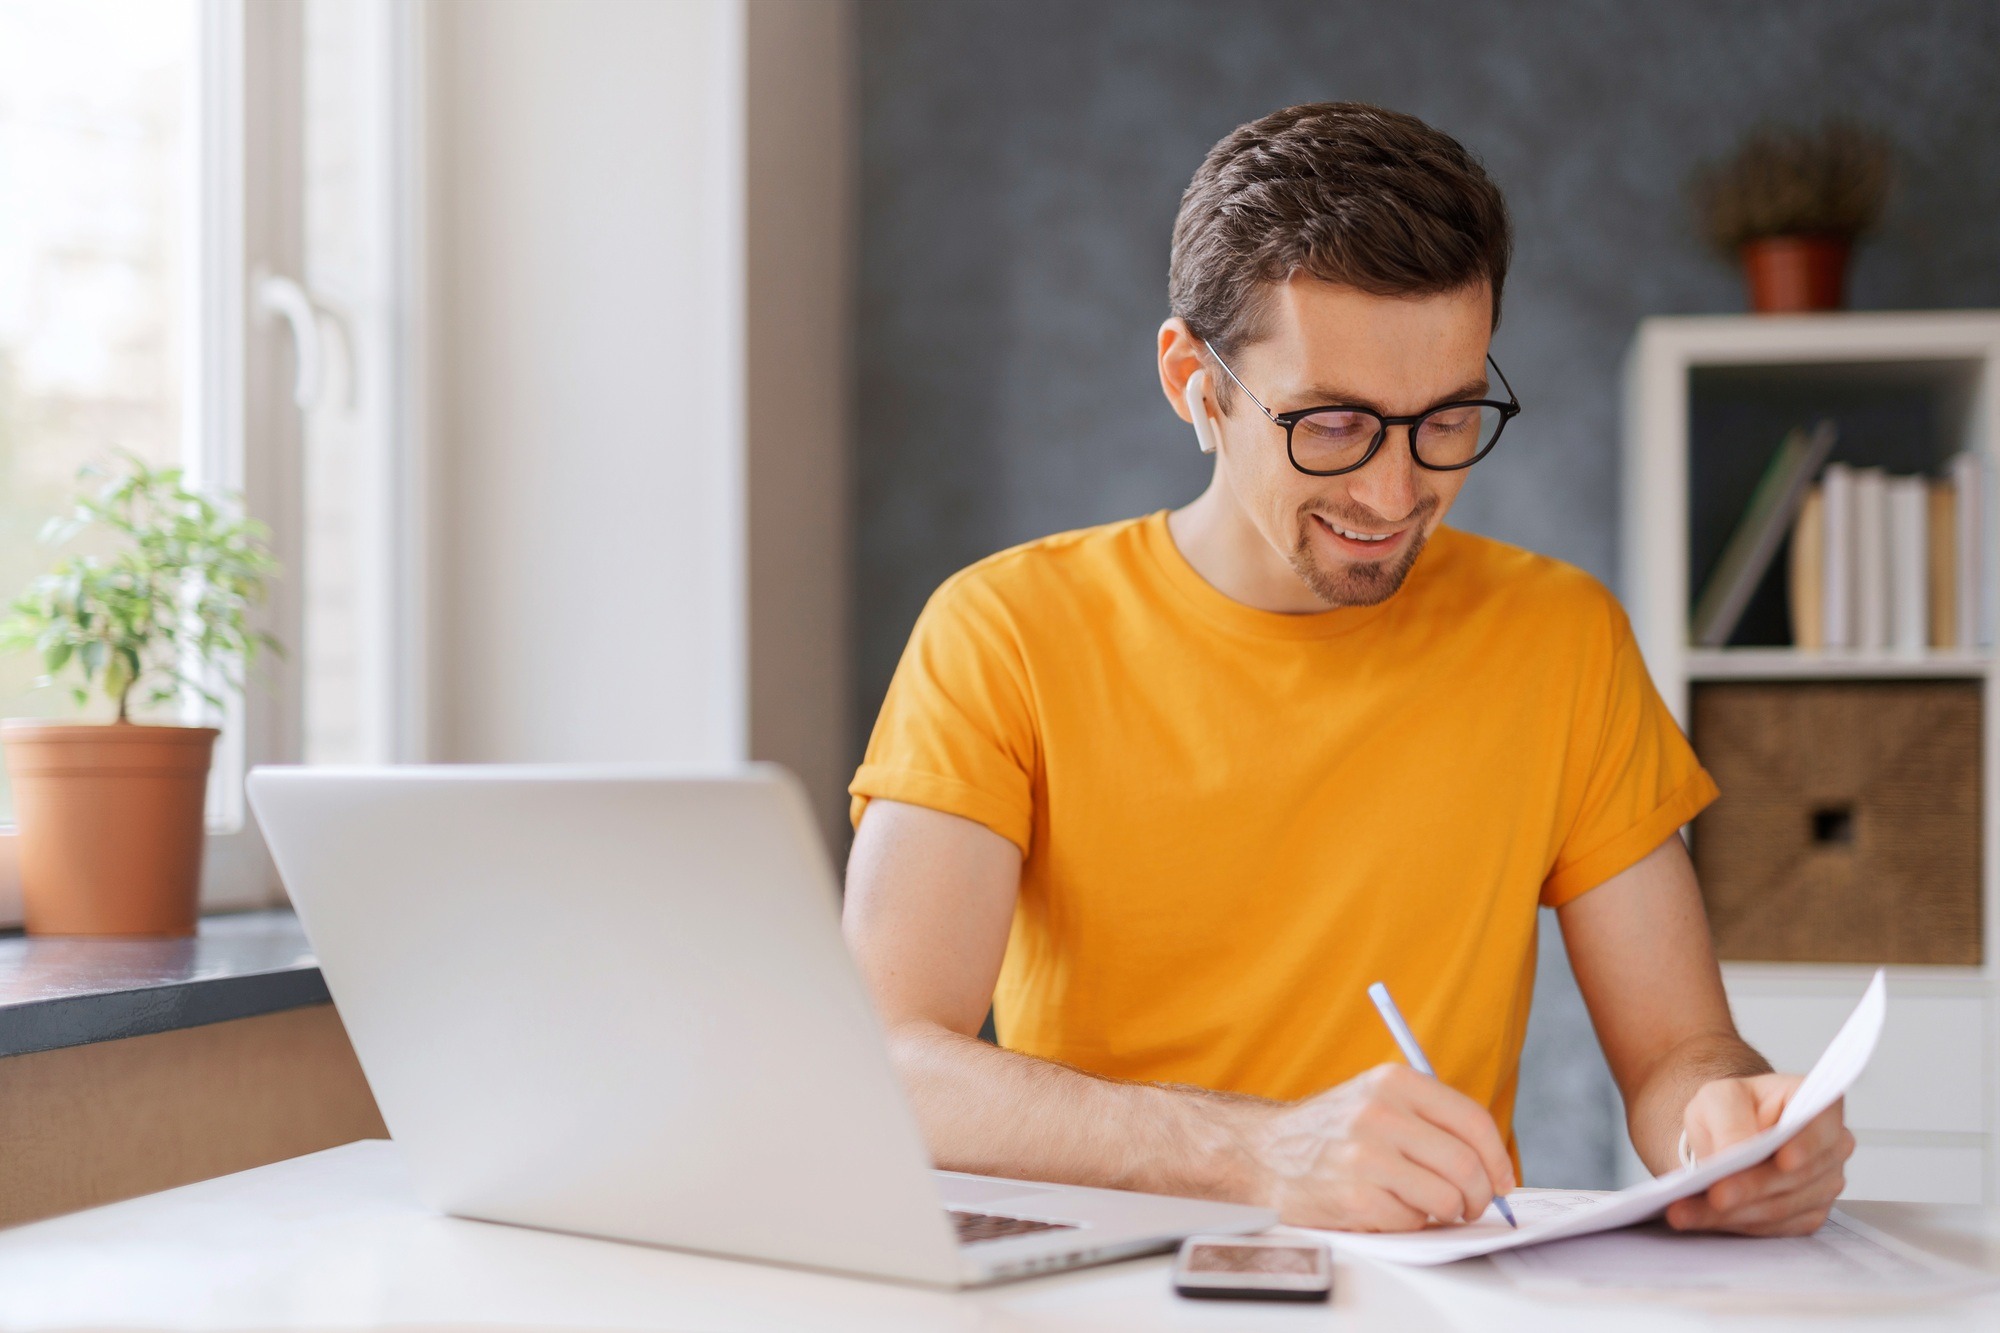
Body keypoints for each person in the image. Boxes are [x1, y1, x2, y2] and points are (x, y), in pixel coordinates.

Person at [842, 102, 1852, 1234]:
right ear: (1193, 381)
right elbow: (882, 1061)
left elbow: (1678, 1052)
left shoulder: (1560, 637)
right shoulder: (1003, 632)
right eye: (1330, 424)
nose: (1391, 493)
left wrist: (1731, 1130)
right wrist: (1259, 1152)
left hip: (1429, 1293)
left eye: (1448, 418)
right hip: (1108, 1286)